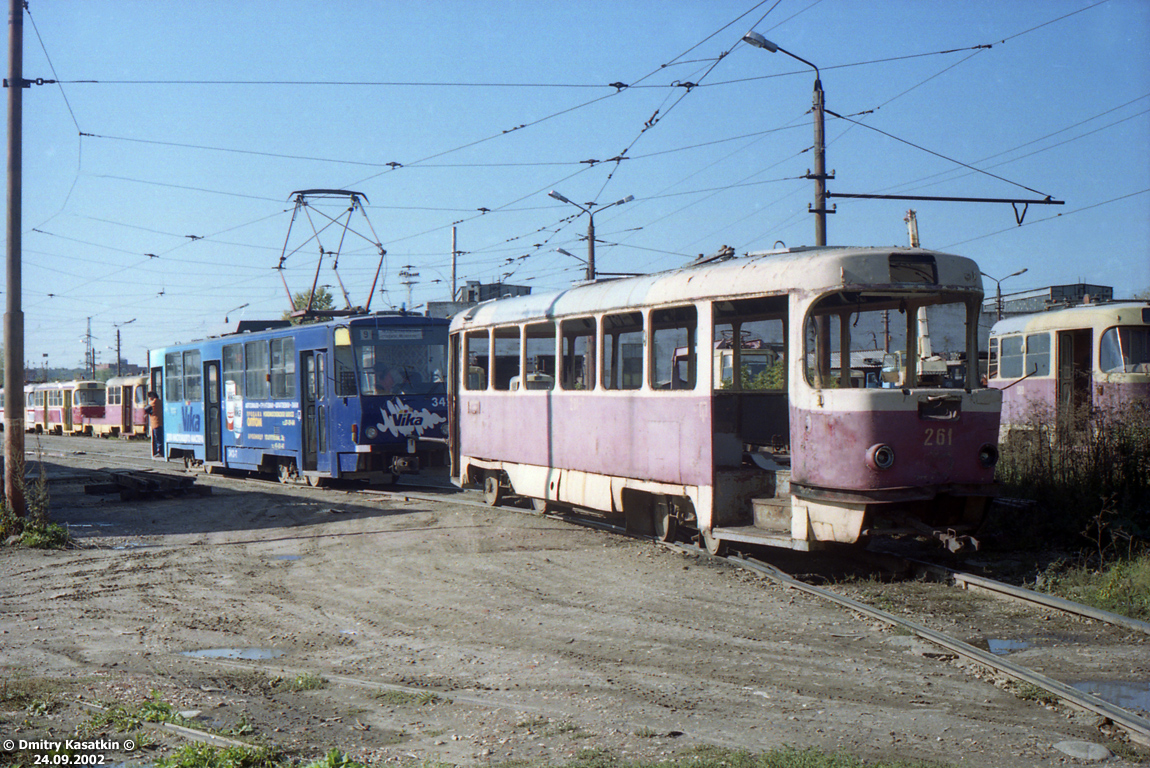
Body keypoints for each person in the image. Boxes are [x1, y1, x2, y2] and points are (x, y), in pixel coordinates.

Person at [145, 391, 163, 458]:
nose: (149, 398)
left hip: (156, 423)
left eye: (150, 397)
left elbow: (146, 408)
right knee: (159, 437)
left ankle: (159, 451)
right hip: (160, 422)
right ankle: (160, 451)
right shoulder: (160, 401)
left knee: (158, 438)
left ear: (153, 396)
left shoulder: (154, 402)